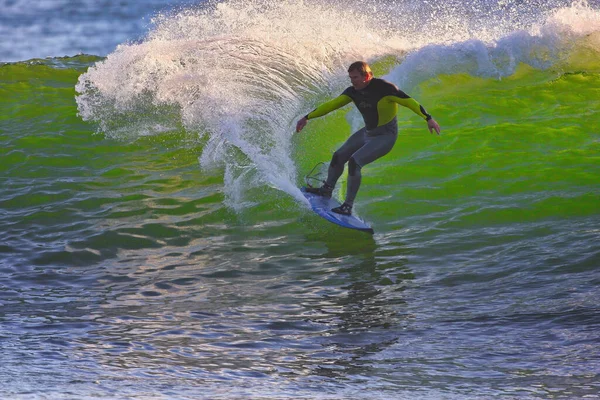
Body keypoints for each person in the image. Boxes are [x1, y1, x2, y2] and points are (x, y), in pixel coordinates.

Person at [296, 61, 441, 216]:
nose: (352, 81)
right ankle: (326, 190)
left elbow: (409, 102)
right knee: (339, 155)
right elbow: (332, 105)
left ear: (367, 76)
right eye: (350, 77)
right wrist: (307, 117)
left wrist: (428, 118)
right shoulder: (352, 92)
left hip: (386, 136)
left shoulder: (385, 88)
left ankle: (347, 206)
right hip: (368, 132)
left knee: (354, 162)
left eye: (356, 77)